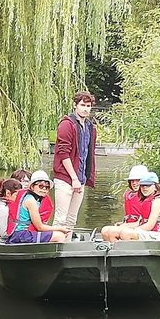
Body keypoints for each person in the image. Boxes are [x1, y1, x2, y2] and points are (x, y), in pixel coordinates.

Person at [52, 91, 97, 234]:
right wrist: (74, 178)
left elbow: (87, 154)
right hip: (65, 178)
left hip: (80, 178)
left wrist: (83, 178)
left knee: (72, 219)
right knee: (60, 219)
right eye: (82, 105)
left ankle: (66, 248)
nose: (85, 109)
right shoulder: (67, 124)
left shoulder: (90, 127)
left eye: (88, 106)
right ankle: (56, 248)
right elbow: (63, 152)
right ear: (75, 105)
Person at [6, 170, 70, 244]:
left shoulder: (31, 198)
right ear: (32, 186)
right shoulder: (31, 201)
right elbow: (40, 227)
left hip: (18, 234)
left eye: (47, 187)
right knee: (60, 236)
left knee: (56, 233)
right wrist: (60, 228)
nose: (44, 189)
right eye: (41, 186)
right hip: (21, 235)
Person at [116, 172, 160, 241]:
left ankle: (128, 250)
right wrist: (123, 227)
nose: (144, 188)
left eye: (148, 185)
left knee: (126, 233)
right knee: (108, 230)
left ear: (155, 186)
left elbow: (149, 225)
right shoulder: (145, 200)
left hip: (159, 235)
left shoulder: (157, 201)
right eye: (142, 185)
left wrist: (132, 230)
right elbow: (139, 223)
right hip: (148, 232)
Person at [101, 164, 148, 243]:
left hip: (139, 228)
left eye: (137, 180)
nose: (134, 183)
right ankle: (113, 251)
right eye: (132, 181)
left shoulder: (148, 198)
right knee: (105, 231)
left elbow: (143, 222)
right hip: (130, 226)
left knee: (114, 232)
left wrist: (125, 226)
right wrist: (123, 224)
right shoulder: (128, 194)